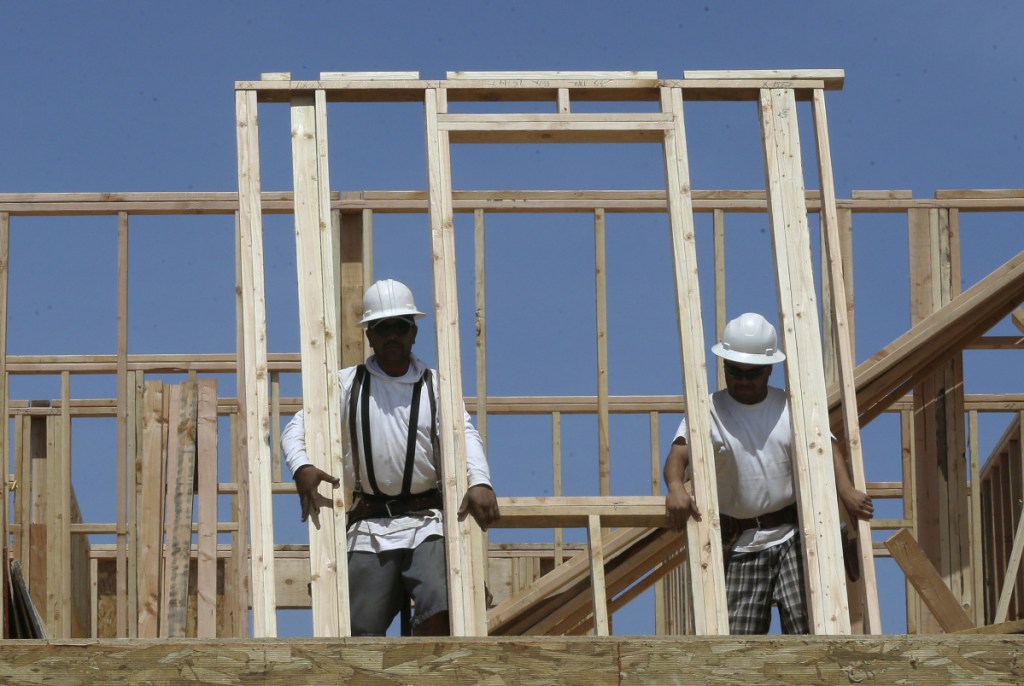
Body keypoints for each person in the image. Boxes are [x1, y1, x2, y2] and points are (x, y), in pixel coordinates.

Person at [282, 278, 500, 636]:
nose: (392, 336)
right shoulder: (347, 385)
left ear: (413, 332)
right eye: (383, 328)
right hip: (371, 526)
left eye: (400, 326)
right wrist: (301, 466)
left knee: (442, 608)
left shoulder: (436, 386)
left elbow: (465, 435)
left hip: (426, 521)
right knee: (355, 628)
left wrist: (480, 481)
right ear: (369, 334)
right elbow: (297, 428)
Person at [663, 312, 873, 634]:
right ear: (724, 367)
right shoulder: (708, 410)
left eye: (753, 373)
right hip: (742, 542)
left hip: (794, 535)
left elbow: (826, 447)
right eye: (735, 372)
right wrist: (676, 486)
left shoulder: (790, 406)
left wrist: (844, 490)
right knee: (738, 647)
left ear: (769, 370)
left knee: (812, 630)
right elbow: (678, 454)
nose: (743, 380)